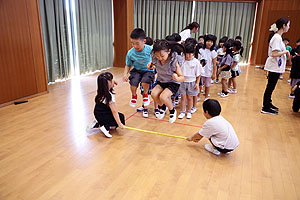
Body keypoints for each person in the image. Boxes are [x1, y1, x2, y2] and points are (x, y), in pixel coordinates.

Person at [147, 39, 184, 123]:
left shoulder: (173, 62)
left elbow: (182, 77)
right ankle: (163, 107)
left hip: (173, 83)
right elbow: (153, 63)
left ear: (169, 51)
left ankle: (172, 111)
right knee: (153, 94)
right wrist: (150, 64)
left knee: (163, 97)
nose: (160, 58)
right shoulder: (156, 59)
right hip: (161, 81)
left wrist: (177, 78)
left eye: (162, 56)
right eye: (157, 56)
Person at [261, 17, 291, 115]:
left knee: (271, 87)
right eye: (288, 25)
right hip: (273, 67)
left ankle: (268, 103)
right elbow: (274, 54)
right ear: (284, 26)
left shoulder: (278, 37)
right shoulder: (277, 38)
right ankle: (265, 107)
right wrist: (285, 51)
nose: (289, 27)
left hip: (275, 67)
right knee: (270, 87)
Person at [86, 72, 125, 138]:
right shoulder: (109, 96)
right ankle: (105, 127)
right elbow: (114, 111)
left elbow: (112, 81)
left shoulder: (101, 92)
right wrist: (119, 124)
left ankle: (98, 124)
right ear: (108, 83)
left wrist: (114, 82)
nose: (114, 81)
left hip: (97, 113)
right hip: (104, 115)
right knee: (120, 118)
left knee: (118, 117)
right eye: (112, 80)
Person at [123, 28, 155, 108]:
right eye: (132, 43)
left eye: (137, 43)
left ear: (144, 41)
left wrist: (153, 65)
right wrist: (125, 74)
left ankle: (145, 94)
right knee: (133, 83)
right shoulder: (130, 53)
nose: (135, 46)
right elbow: (128, 65)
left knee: (145, 82)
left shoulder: (150, 50)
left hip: (148, 70)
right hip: (136, 70)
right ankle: (134, 96)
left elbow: (157, 60)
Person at [178, 43, 204, 119]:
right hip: (182, 81)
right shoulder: (182, 61)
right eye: (187, 53)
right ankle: (182, 111)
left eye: (190, 54)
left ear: (193, 54)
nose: (188, 55)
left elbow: (199, 74)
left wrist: (197, 83)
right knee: (183, 97)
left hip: (192, 82)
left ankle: (189, 111)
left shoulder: (196, 62)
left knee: (190, 98)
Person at [199, 34, 217, 101]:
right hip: (201, 70)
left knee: (207, 85)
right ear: (205, 41)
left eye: (211, 42)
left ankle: (206, 96)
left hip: (208, 71)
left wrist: (213, 73)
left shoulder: (213, 52)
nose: (209, 43)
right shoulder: (201, 50)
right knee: (200, 84)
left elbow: (214, 64)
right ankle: (198, 96)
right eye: (208, 41)